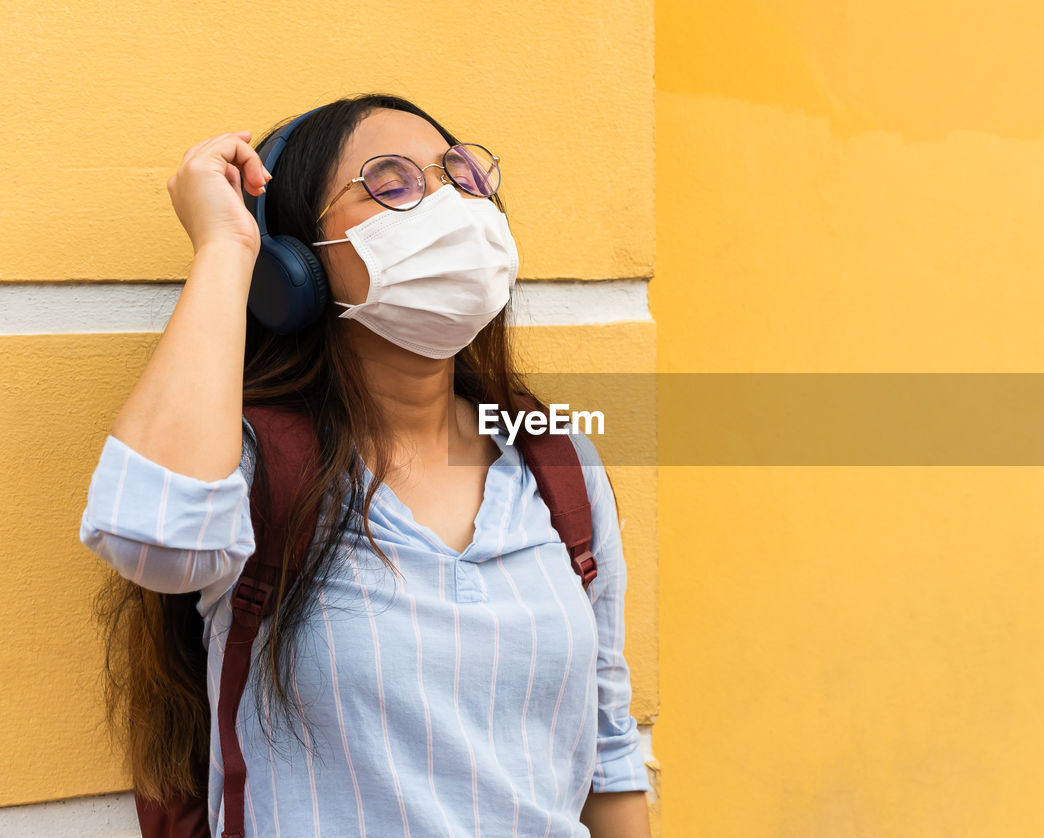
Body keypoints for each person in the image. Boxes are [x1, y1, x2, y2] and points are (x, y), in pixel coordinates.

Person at [80, 92, 652, 837]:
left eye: (463, 176)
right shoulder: (254, 467)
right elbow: (150, 534)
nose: (451, 205)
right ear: (297, 266)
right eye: (391, 183)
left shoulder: (555, 461)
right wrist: (225, 251)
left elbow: (605, 752)